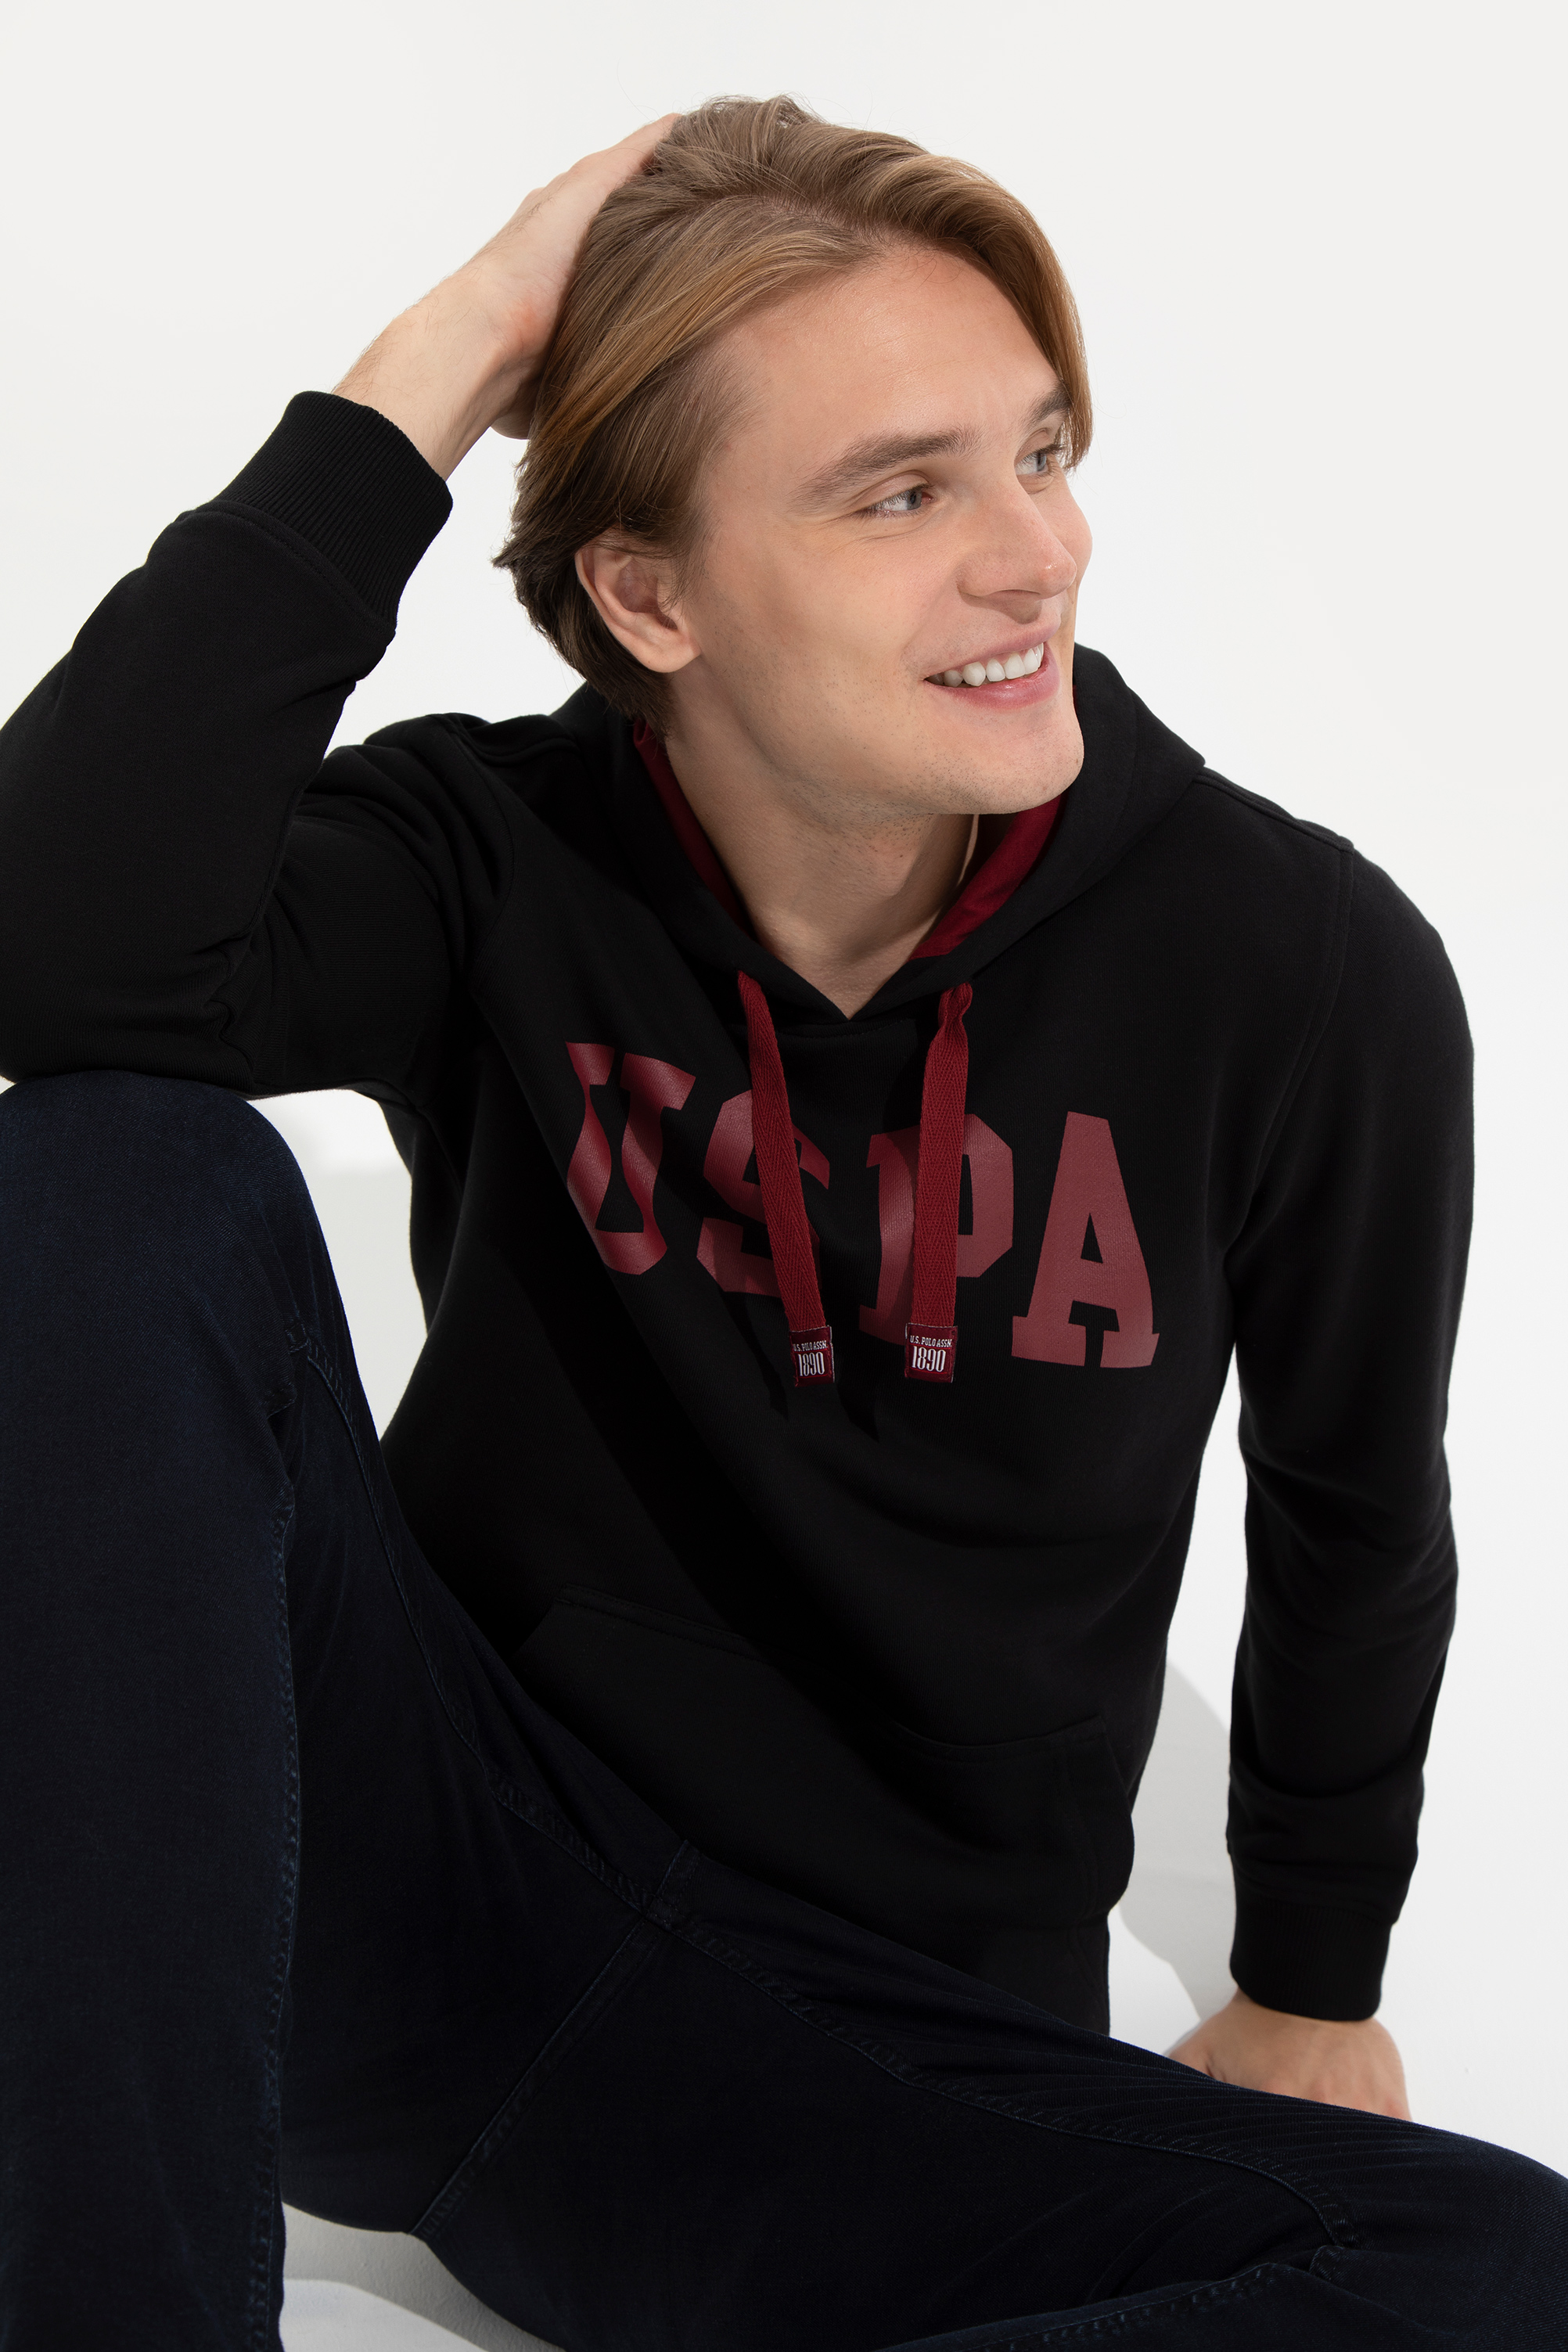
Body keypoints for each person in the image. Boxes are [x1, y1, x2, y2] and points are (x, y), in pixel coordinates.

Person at [0, 93, 1561, 2352]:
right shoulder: (485, 853)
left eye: (1039, 454)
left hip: (856, 2057)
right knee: (113, 1168)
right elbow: (54, 954)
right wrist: (446, 352)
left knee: (1495, 2268)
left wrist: (1310, 1985)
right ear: (650, 595)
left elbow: (1353, 1506)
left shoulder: (1295, 968)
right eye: (902, 494)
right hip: (415, 1902)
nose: (1035, 557)